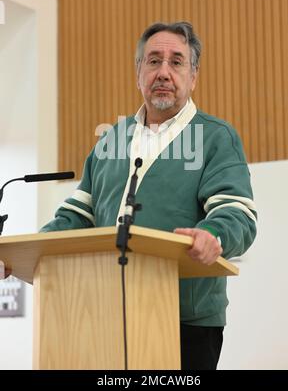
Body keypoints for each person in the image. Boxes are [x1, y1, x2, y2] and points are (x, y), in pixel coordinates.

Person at [40, 21, 257, 370]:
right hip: (107, 311)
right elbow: (78, 217)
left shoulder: (217, 137)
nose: (164, 72)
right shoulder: (109, 140)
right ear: (138, 71)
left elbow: (236, 213)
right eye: (153, 61)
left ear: (194, 75)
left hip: (186, 320)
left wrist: (212, 234)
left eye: (176, 61)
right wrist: (30, 250)